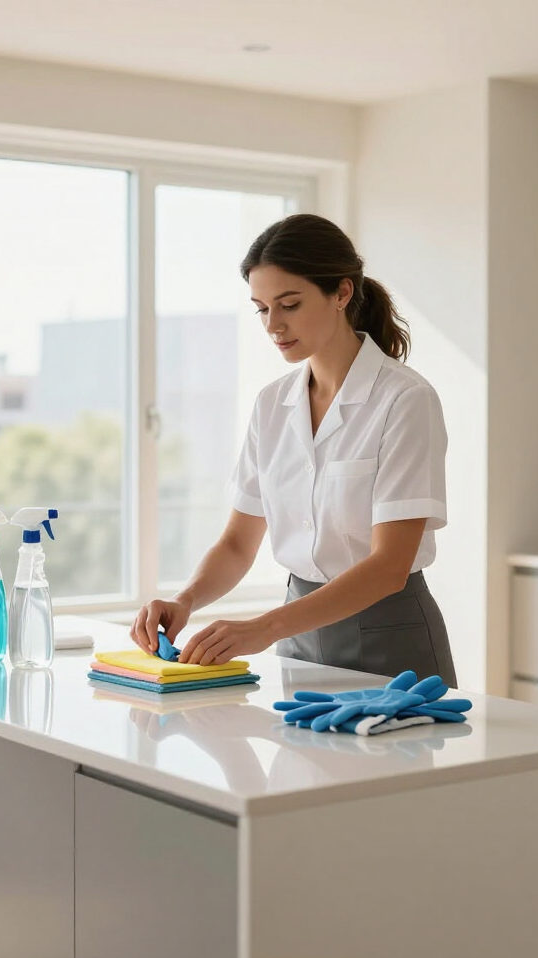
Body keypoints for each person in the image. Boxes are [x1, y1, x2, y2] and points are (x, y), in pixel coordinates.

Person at [130, 213, 456, 687]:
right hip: (299, 640)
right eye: (262, 308)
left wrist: (261, 629)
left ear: (342, 293)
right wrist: (186, 600)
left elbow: (389, 567)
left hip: (390, 636)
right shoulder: (272, 405)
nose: (273, 325)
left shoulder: (405, 400)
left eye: (289, 304)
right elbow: (239, 543)